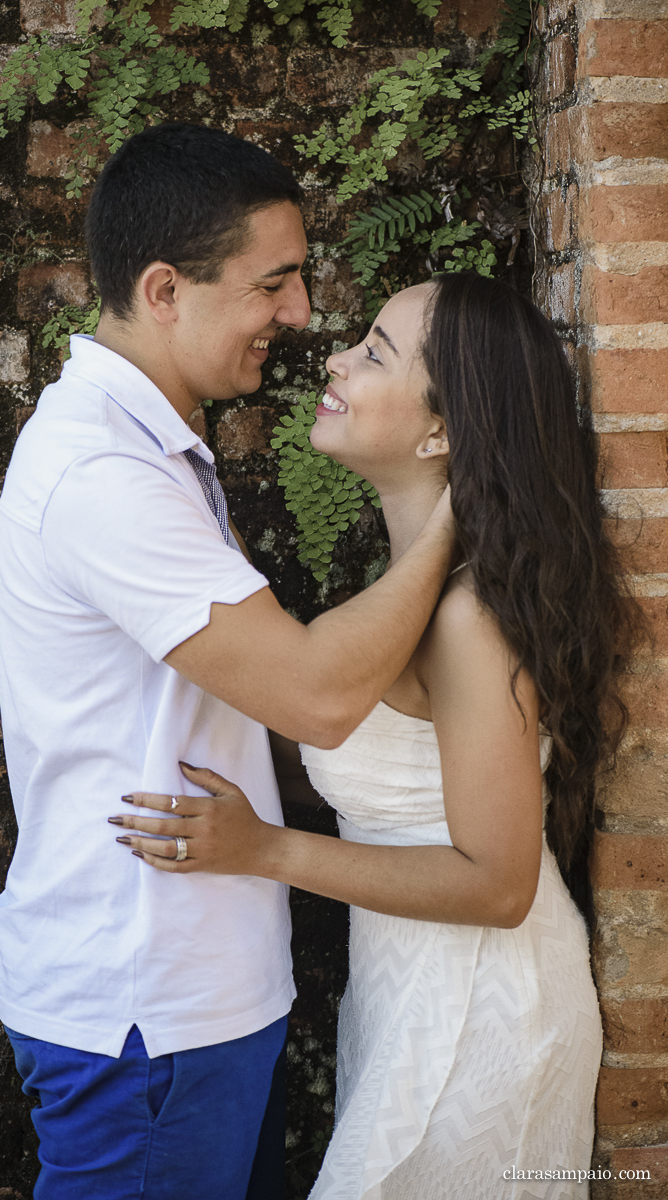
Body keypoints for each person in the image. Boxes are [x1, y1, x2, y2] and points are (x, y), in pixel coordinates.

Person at [0, 123, 455, 1200]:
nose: (297, 316)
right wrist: (454, 526)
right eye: (273, 284)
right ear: (164, 290)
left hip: (198, 997)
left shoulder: (155, 446)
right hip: (146, 1013)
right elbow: (317, 695)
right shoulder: (106, 474)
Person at [113, 272, 637, 1200]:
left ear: (441, 433)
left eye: (374, 352)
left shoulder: (469, 621)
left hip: (486, 1010)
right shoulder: (415, 599)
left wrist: (266, 850)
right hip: (413, 993)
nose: (335, 356)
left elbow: (498, 882)